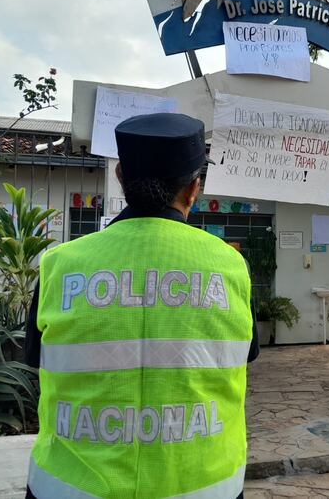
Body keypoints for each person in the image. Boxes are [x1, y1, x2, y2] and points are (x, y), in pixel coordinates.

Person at [24, 112, 258, 499]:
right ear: (194, 188)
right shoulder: (231, 266)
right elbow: (244, 357)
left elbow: (35, 359)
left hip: (70, 486)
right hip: (204, 485)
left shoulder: (59, 264)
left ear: (120, 177)